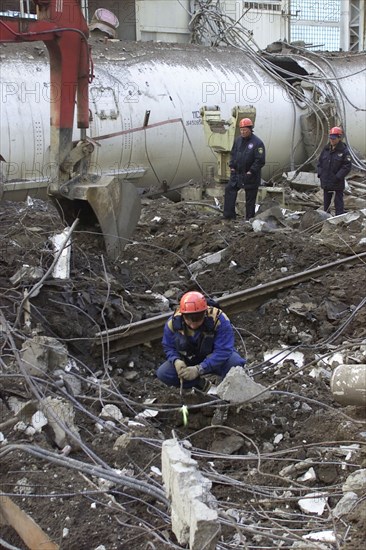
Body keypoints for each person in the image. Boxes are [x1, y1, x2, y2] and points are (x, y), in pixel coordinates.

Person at [156, 291, 246, 390]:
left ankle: (228, 388)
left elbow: (223, 351)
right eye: (189, 320)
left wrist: (199, 369)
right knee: (164, 373)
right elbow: (168, 347)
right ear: (182, 315)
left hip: (216, 358)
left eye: (198, 319)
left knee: (235, 363)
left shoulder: (219, 320)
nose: (193, 325)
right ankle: (201, 385)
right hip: (189, 359)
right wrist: (176, 360)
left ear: (205, 313)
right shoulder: (172, 324)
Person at [223, 117, 265, 221]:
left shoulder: (257, 143)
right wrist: (232, 167)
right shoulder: (237, 140)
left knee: (250, 198)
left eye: (245, 130)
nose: (242, 132)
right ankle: (229, 216)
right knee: (229, 190)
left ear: (250, 129)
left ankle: (249, 219)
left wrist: (251, 171)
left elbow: (260, 160)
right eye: (241, 130)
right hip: (237, 174)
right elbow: (233, 154)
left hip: (250, 175)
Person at [317, 126, 352, 216]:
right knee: (326, 205)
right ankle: (326, 219)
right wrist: (320, 174)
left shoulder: (344, 151)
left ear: (339, 138)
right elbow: (320, 162)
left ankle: (339, 219)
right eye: (330, 138)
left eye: (334, 138)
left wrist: (337, 177)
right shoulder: (326, 149)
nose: (332, 140)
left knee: (338, 204)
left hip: (337, 183)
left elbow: (347, 166)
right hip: (326, 182)